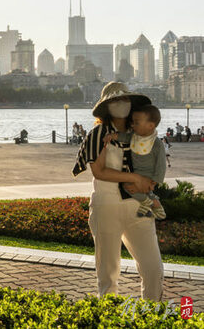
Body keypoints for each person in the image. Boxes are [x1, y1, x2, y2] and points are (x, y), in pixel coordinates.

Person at [72, 82, 162, 301]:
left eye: (125, 99)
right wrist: (134, 178)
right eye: (115, 100)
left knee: (153, 268)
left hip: (139, 206)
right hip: (107, 204)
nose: (121, 104)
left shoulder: (139, 133)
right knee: (108, 273)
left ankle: (152, 316)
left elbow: (154, 164)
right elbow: (99, 171)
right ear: (106, 106)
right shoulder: (98, 134)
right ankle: (108, 317)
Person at [104, 104, 167, 219]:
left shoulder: (156, 143)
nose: (132, 125)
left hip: (150, 175)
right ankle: (149, 204)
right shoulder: (134, 136)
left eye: (136, 122)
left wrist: (155, 181)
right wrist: (114, 136)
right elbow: (125, 137)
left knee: (129, 186)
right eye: (132, 122)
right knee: (130, 187)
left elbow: (161, 164)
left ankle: (152, 204)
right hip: (136, 173)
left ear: (150, 126)